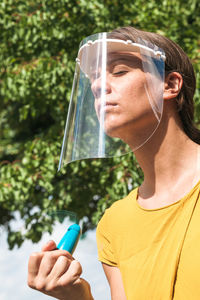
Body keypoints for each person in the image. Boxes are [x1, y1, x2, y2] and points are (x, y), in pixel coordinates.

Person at [27, 26, 200, 300]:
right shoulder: (114, 223)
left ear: (169, 85)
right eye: (93, 78)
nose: (97, 85)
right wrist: (79, 296)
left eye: (119, 71)